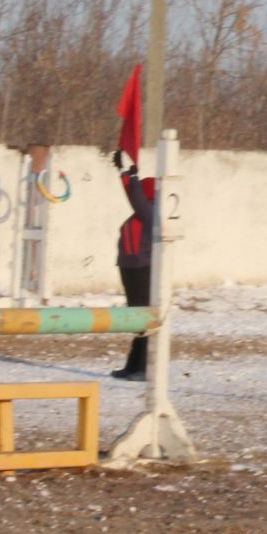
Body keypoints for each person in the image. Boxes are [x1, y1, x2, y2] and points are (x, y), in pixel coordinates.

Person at [111, 149, 155, 380]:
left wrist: (131, 175)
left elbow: (135, 196)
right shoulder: (144, 210)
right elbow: (133, 195)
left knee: (143, 320)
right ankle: (133, 366)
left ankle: (143, 368)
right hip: (131, 268)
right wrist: (124, 171)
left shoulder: (152, 212)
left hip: (141, 268)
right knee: (137, 320)